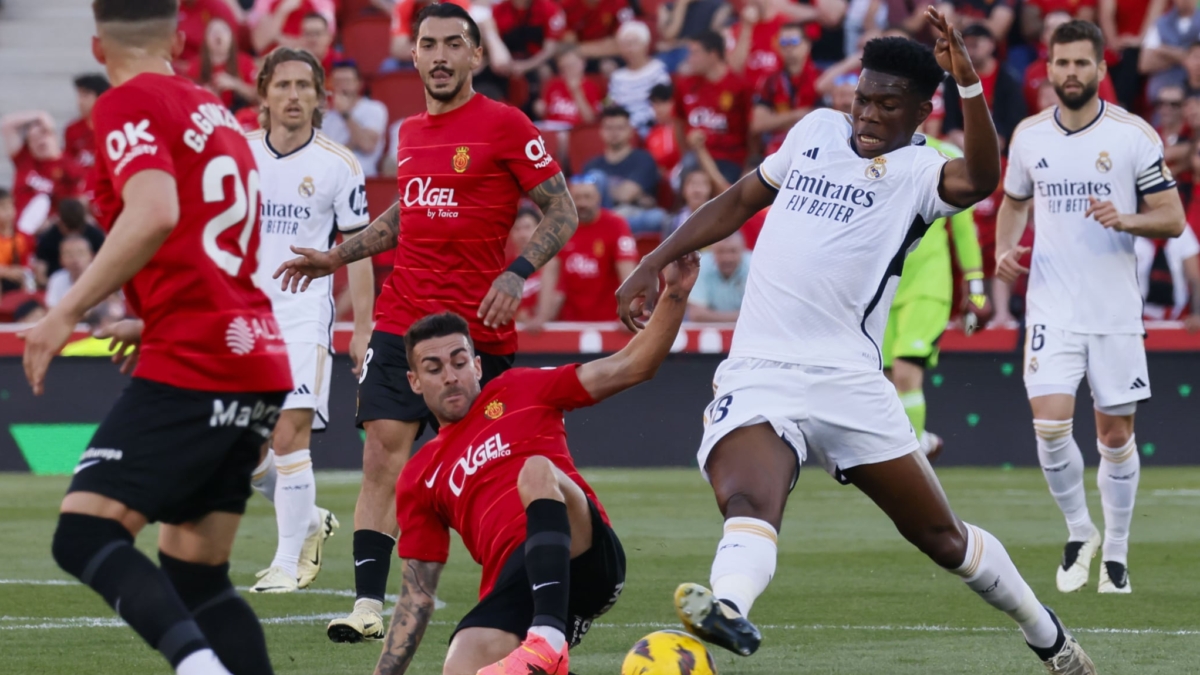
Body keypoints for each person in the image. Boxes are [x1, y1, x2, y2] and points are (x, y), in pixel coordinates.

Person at [616, 12, 1097, 674]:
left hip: (848, 380)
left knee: (942, 537)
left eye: (885, 104)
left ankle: (1046, 634)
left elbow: (983, 179)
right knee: (751, 500)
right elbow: (737, 199)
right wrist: (656, 256)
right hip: (760, 370)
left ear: (922, 112)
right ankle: (727, 608)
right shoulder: (815, 130)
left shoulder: (924, 171)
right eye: (861, 98)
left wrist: (970, 86)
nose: (865, 114)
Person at [274, 2, 579, 643]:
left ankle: (528, 592)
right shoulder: (408, 132)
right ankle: (365, 605)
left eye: (453, 45)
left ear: (474, 55)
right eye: (428, 45)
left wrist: (517, 271)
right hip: (401, 318)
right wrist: (338, 253)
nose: (439, 56)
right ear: (412, 55)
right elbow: (404, 218)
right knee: (383, 451)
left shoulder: (505, 124)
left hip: (476, 332)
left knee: (487, 471)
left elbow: (563, 212)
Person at [23, 3, 292, 675]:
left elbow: (155, 211)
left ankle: (196, 668)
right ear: (178, 37)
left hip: (200, 357)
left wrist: (63, 314)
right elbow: (213, 241)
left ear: (96, 43)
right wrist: (154, 315)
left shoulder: (128, 102)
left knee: (85, 532)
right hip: (253, 349)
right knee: (196, 573)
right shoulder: (213, 112)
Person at [370, 255, 698, 675]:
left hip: (586, 553)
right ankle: (546, 652)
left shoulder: (519, 386)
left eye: (458, 362)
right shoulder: (418, 475)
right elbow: (417, 593)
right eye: (433, 368)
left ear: (476, 365)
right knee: (459, 669)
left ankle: (548, 640)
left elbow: (633, 365)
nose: (449, 376)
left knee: (536, 469)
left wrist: (675, 293)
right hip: (515, 585)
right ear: (415, 381)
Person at [996, 20, 1186, 597]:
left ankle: (1118, 553)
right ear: (1048, 69)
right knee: (1050, 426)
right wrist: (1005, 247)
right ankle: (1081, 532)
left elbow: (1172, 219)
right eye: (1062, 63)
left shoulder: (1133, 136)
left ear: (1102, 70)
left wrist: (1126, 218)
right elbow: (1013, 202)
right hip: (1051, 306)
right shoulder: (1029, 136)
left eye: (1082, 63)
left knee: (1113, 436)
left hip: (1113, 312)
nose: (1071, 73)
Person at [242, 47, 376, 594]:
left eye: (303, 86)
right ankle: (311, 518)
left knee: (287, 433)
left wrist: (362, 325)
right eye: (282, 85)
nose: (293, 95)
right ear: (264, 94)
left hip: (302, 315)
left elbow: (361, 246)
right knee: (242, 457)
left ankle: (287, 561)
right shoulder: (237, 153)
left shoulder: (338, 163)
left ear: (320, 97)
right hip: (243, 318)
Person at [883, 135, 990, 462]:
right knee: (884, 382)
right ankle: (923, 441)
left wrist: (975, 286)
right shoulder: (873, 154)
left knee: (904, 372)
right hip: (884, 285)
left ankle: (911, 462)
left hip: (929, 283)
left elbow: (962, 228)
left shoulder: (948, 155)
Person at [540, 174, 638, 322]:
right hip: (571, 323)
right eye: (577, 198)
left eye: (587, 197)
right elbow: (550, 273)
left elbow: (629, 273)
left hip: (609, 322)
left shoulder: (616, 225)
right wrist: (542, 316)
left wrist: (628, 313)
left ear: (598, 198)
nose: (582, 203)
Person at [675, 30, 753, 186]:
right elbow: (678, 122)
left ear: (713, 54)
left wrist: (748, 163)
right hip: (693, 159)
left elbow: (751, 130)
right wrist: (686, 152)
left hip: (729, 159)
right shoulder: (685, 85)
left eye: (695, 53)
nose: (689, 59)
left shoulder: (739, 87)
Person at [941, 24, 1026, 152]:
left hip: (1000, 145)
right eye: (965, 46)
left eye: (975, 45)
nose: (970, 51)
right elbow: (950, 119)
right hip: (960, 143)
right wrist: (956, 134)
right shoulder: (953, 79)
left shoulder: (1008, 79)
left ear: (991, 45)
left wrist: (1000, 139)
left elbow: (1014, 120)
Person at [583, 106, 667, 235]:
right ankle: (607, 227)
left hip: (631, 217)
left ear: (630, 131)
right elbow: (584, 201)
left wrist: (603, 188)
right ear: (601, 131)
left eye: (620, 128)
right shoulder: (592, 164)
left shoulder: (643, 159)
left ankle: (607, 229)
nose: (614, 133)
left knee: (658, 217)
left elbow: (626, 195)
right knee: (596, 176)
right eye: (609, 128)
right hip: (601, 217)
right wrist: (638, 197)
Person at [0, 110, 85, 235]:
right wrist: (39, 115)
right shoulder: (24, 159)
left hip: (48, 232)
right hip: (15, 231)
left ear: (54, 136)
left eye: (44, 134)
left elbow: (77, 205)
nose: (40, 141)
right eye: (33, 139)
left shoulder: (70, 166)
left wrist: (52, 222)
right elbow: (6, 125)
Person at [750, 23, 821, 155]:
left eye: (794, 41)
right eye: (783, 42)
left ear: (807, 45)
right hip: (778, 148)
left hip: (814, 146)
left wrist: (777, 120)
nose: (788, 47)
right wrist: (800, 114)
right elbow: (758, 123)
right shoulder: (770, 81)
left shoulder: (821, 79)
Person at [321, 61, 389, 178]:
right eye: (337, 82)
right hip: (331, 179)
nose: (342, 86)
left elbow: (367, 145)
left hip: (364, 177)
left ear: (359, 83)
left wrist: (345, 114)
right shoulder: (324, 116)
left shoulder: (374, 109)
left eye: (347, 81)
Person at [608, 21, 672, 135]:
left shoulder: (657, 69)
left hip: (651, 125)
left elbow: (662, 102)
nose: (630, 49)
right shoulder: (617, 77)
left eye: (634, 44)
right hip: (623, 128)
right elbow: (610, 102)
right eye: (625, 45)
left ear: (645, 45)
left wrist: (635, 124)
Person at [188, 17, 259, 112]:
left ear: (231, 38)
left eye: (223, 30)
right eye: (213, 32)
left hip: (241, 117)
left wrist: (236, 84)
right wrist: (203, 94)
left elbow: (259, 97)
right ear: (205, 40)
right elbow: (187, 101)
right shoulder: (196, 65)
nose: (218, 34)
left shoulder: (245, 61)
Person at [1136, 227, 1200, 328]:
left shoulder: (1182, 231)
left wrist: (1198, 314)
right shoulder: (1129, 230)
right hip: (1137, 318)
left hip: (1179, 318)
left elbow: (1195, 279)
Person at [65, 74, 111, 214]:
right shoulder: (72, 130)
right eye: (79, 96)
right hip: (79, 192)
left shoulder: (112, 127)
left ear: (100, 96)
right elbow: (68, 162)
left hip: (106, 189)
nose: (80, 101)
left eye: (85, 95)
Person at [1138, 0, 1199, 100]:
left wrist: (1162, 51)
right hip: (1162, 100)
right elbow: (1144, 64)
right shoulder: (1160, 23)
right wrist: (1186, 56)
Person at [34, 198, 105, 283]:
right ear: (60, 223)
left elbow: (105, 263)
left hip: (92, 281)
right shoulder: (48, 238)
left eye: (77, 229)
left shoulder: (95, 235)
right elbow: (41, 272)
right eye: (69, 229)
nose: (73, 234)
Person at [687, 231, 750, 322]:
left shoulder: (754, 266)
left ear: (743, 251)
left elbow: (762, 313)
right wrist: (744, 317)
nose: (727, 258)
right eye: (721, 251)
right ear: (711, 252)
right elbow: (696, 314)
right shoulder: (700, 266)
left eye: (733, 251)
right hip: (709, 332)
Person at [535, 46, 603, 127]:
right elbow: (544, 112)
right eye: (565, 67)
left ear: (583, 63)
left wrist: (576, 92)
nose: (569, 70)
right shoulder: (552, 83)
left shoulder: (591, 86)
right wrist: (539, 108)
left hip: (577, 130)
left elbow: (590, 119)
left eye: (572, 65)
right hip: (552, 128)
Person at [0, 187, 35, 295]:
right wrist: (6, 272)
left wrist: (22, 272)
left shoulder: (23, 238)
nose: (8, 211)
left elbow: (26, 264)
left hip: (15, 281)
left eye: (10, 205)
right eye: (2, 207)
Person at [45, 234, 93, 308]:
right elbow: (51, 309)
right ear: (61, 259)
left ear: (91, 256)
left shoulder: (102, 275)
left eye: (80, 253)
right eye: (69, 255)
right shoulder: (56, 279)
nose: (75, 259)